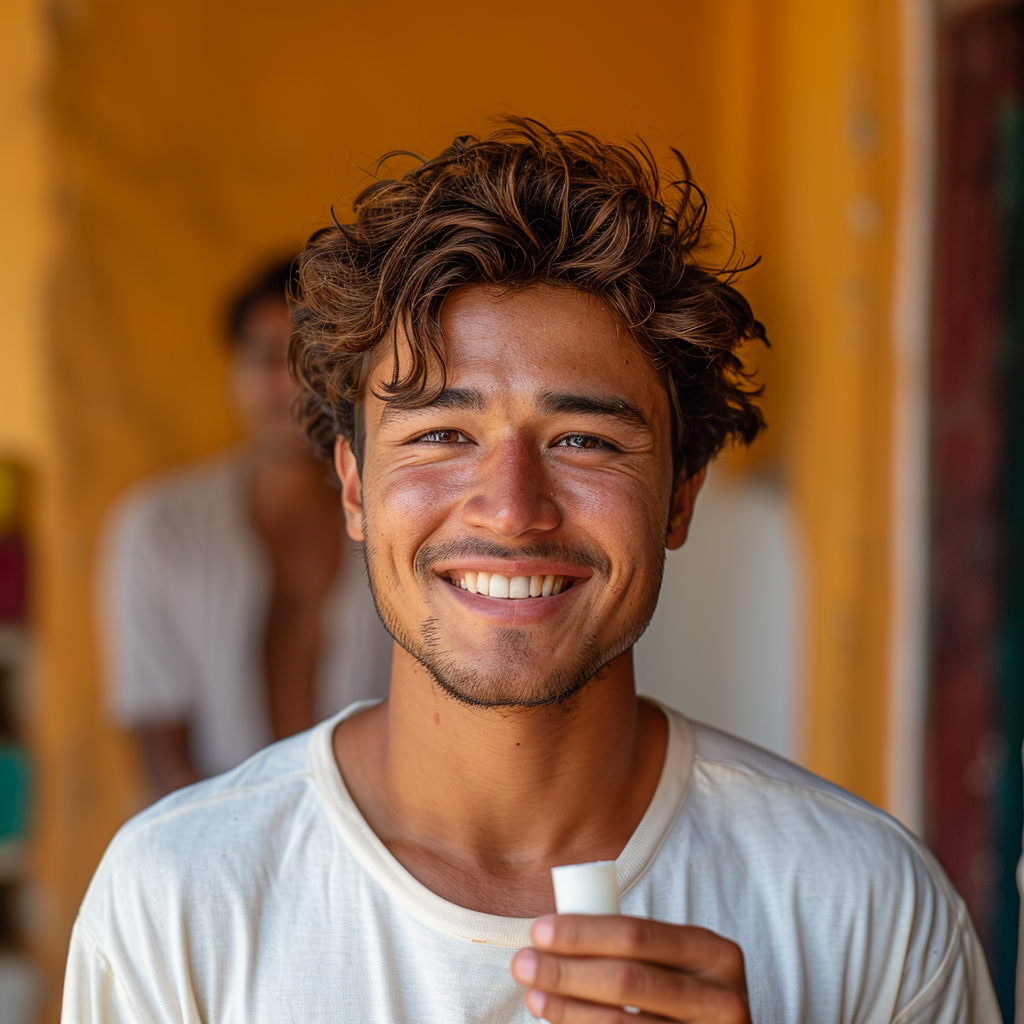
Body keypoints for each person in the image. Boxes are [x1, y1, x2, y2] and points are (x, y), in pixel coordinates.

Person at [66, 121, 1000, 1023]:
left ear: (679, 496)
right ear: (354, 489)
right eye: (442, 435)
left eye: (584, 439)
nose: (511, 507)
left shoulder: (867, 908)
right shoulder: (176, 902)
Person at [97, 260, 392, 794]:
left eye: (316, 358)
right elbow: (160, 744)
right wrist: (220, 859)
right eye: (267, 357)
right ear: (234, 370)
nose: (295, 384)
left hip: (384, 834)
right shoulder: (160, 528)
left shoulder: (402, 517)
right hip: (219, 845)